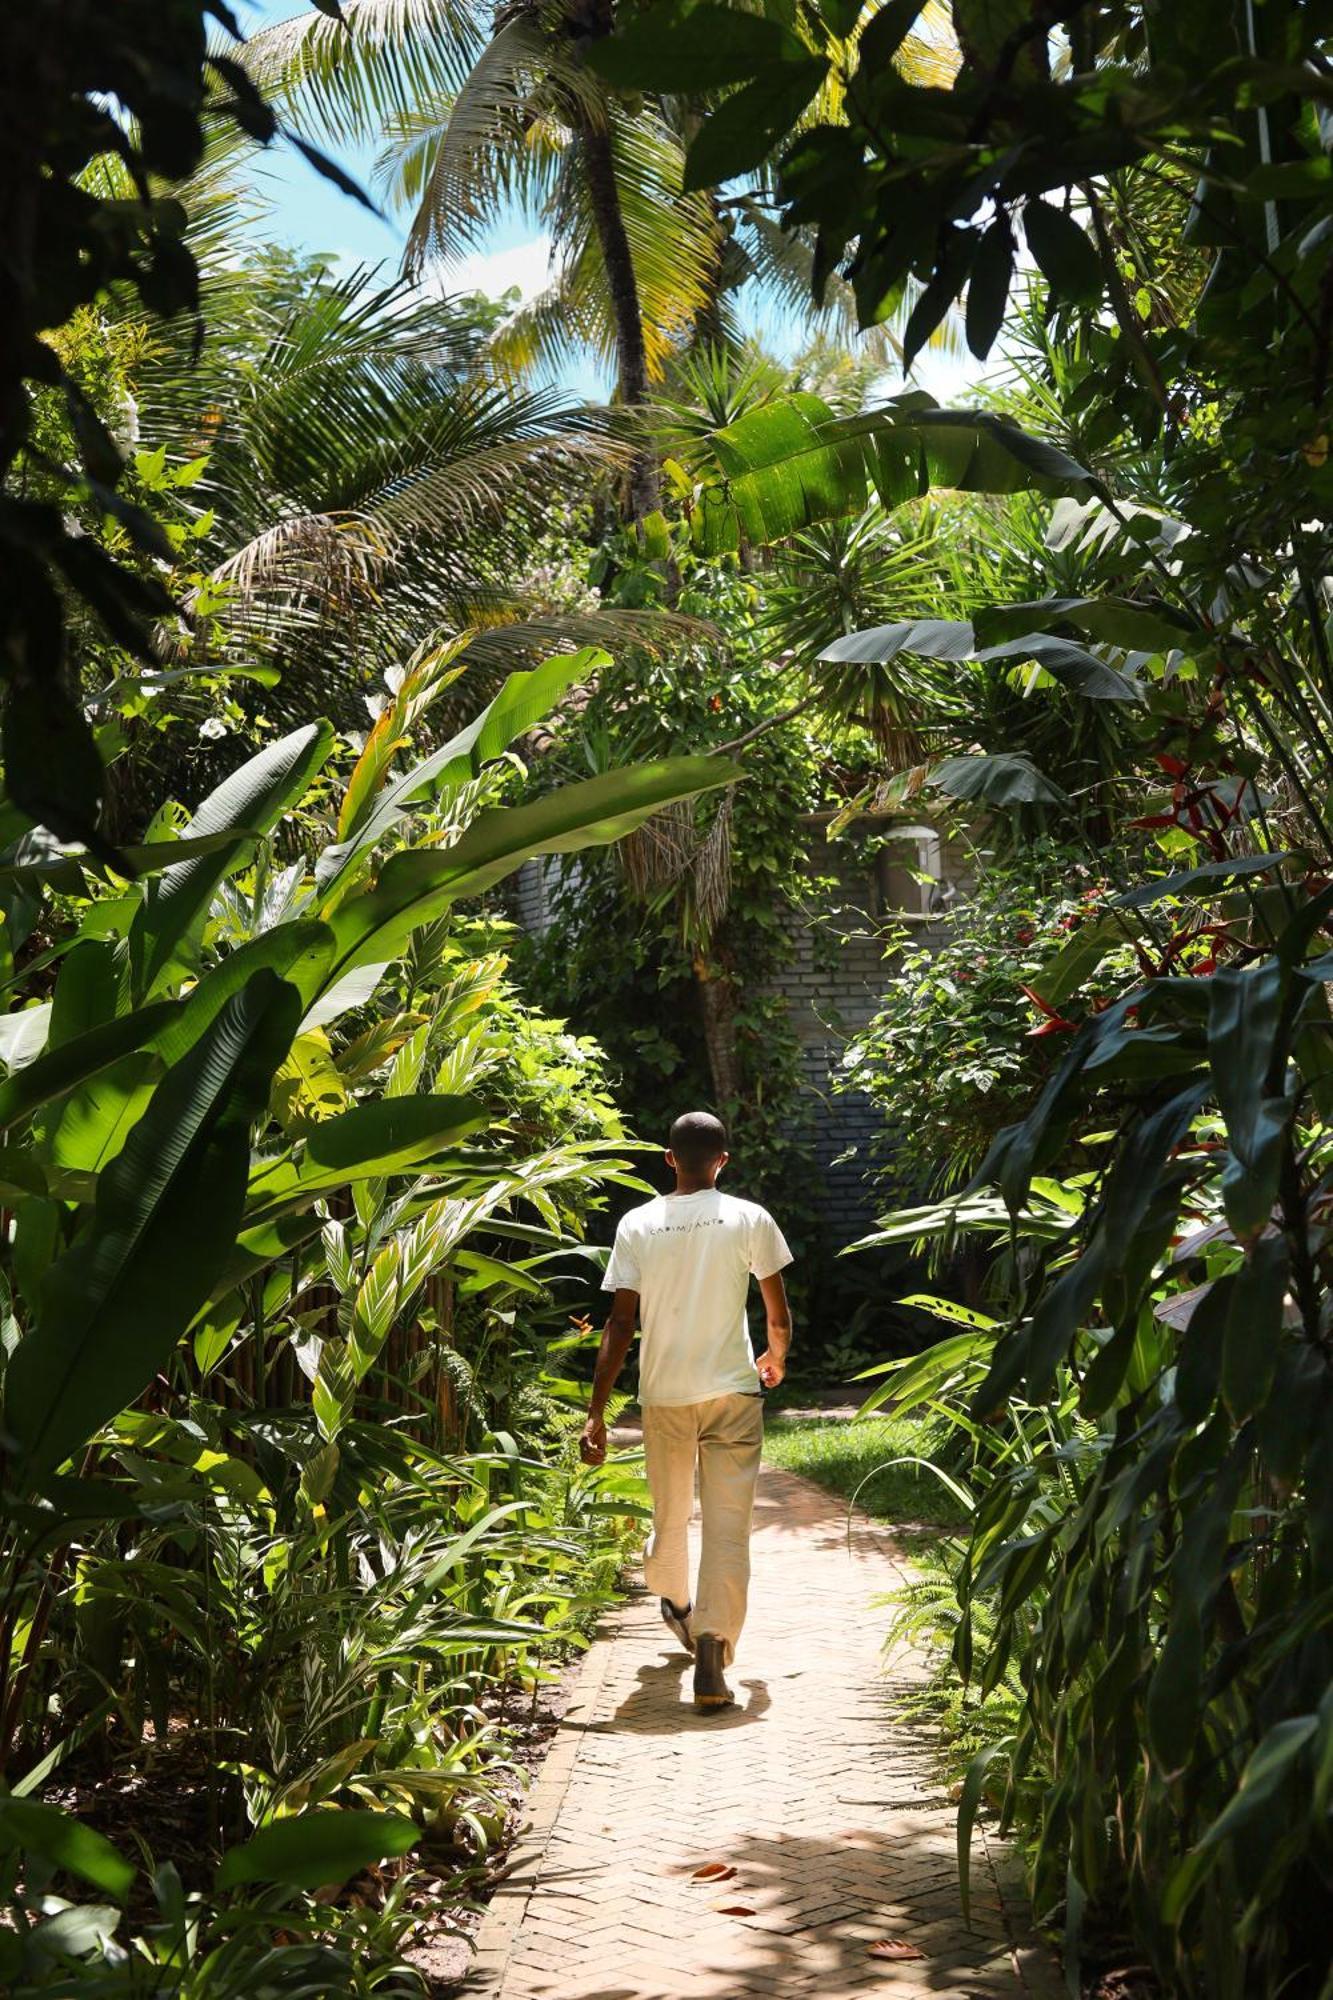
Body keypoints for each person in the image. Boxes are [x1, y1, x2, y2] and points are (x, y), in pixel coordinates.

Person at [579, 1110, 793, 1713]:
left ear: (669, 1158)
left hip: (664, 1397)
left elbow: (620, 1324)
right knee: (728, 1525)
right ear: (722, 1160)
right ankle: (712, 1644)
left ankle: (675, 1604)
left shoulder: (637, 1224)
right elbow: (776, 1314)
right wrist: (774, 1358)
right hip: (732, 1392)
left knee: (670, 1517)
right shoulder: (749, 1217)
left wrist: (596, 1412)